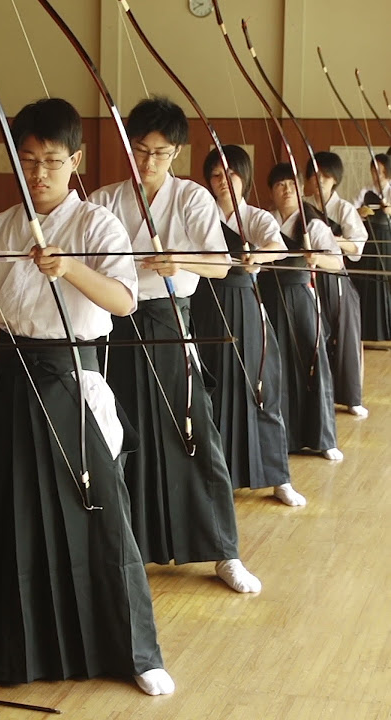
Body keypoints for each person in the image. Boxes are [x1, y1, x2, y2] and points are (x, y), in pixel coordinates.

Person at [0, 98, 174, 696]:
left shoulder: (96, 225)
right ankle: (14, 650)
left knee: (101, 515)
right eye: (28, 160)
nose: (39, 174)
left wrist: (68, 268)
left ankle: (135, 652)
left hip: (72, 378)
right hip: (13, 378)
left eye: (53, 161)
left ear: (77, 161)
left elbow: (124, 301)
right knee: (9, 515)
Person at [89, 97, 261, 594]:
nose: (147, 163)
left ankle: (224, 551)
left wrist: (178, 258)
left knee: (195, 433)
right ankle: (127, 549)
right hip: (118, 327)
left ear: (177, 153)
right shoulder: (103, 200)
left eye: (160, 153)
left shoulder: (191, 199)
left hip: (169, 321)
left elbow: (221, 264)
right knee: (122, 437)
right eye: (139, 150)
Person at [191, 145, 306, 506]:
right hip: (204, 304)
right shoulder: (201, 215)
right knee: (208, 391)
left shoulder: (253, 216)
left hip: (243, 305)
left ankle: (277, 477)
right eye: (215, 175)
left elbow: (277, 245)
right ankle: (212, 476)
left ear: (244, 177)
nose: (223, 182)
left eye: (231, 174)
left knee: (260, 387)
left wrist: (259, 254)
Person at [258, 163, 343, 460]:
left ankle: (323, 437)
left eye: (291, 184)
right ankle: (283, 435)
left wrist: (317, 257)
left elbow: (338, 262)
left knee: (312, 359)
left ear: (299, 188)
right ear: (271, 190)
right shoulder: (264, 220)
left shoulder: (312, 225)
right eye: (279, 184)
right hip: (268, 296)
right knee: (273, 364)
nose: (286, 190)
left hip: (300, 296)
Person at [304, 151, 368, 417]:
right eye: (314, 175)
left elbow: (357, 247)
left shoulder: (344, 209)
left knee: (345, 337)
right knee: (313, 334)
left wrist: (330, 238)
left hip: (335, 277)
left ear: (335, 180)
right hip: (309, 276)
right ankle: (316, 394)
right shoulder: (303, 205)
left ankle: (351, 397)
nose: (318, 180)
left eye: (324, 175)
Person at [352, 153, 391, 341]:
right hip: (369, 240)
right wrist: (360, 212)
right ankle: (366, 329)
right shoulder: (364, 191)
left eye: (382, 171)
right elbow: (353, 211)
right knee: (368, 282)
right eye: (374, 170)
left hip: (386, 241)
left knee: (385, 283)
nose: (377, 174)